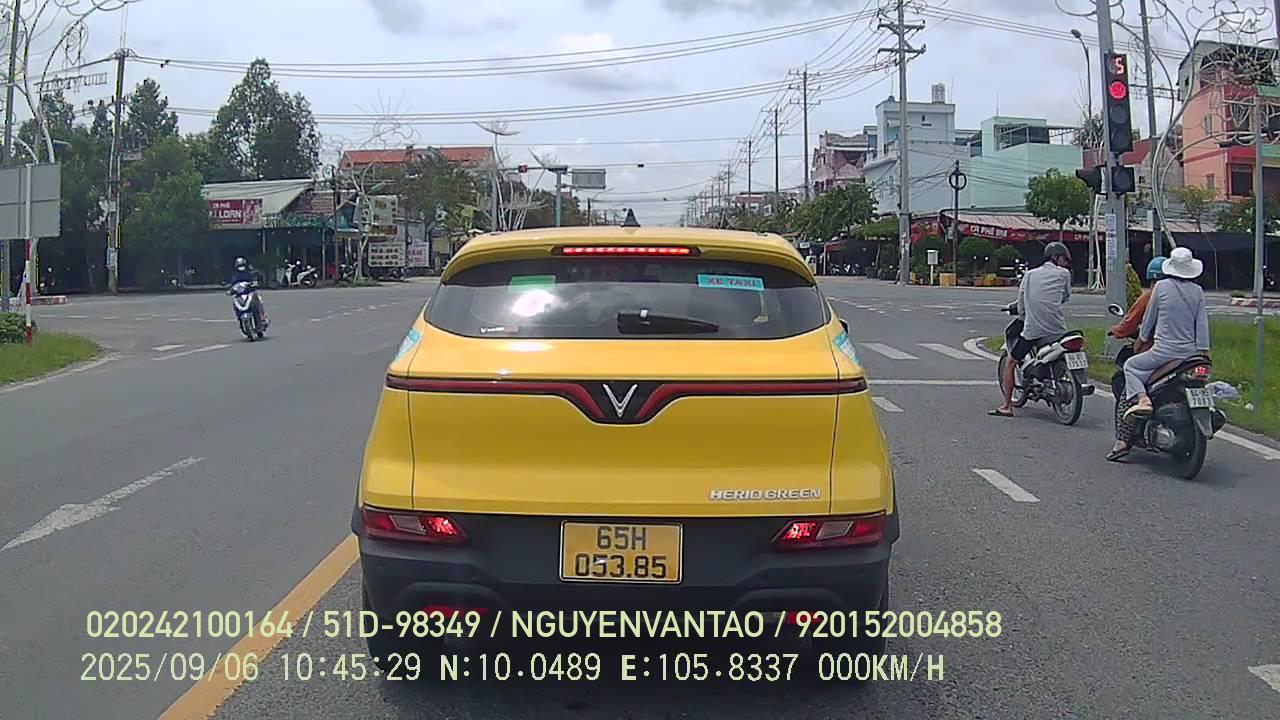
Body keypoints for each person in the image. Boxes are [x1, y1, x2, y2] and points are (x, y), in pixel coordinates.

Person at [1117, 246, 1210, 428]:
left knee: (1131, 366)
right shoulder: (1198, 291)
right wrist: (1204, 352)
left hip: (1163, 353)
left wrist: (1140, 341)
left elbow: (1149, 319)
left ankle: (1143, 400)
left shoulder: (1161, 287)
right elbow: (1202, 325)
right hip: (1190, 355)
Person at [989, 241, 1073, 417]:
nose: (1066, 263)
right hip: (1058, 329)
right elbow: (1065, 297)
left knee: (1011, 362)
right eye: (1064, 259)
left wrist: (1023, 316)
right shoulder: (1065, 274)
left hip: (1034, 329)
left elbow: (1021, 306)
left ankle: (1006, 406)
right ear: (1056, 257)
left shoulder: (1029, 275)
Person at [1104, 256, 1165, 460]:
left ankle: (1122, 441)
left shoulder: (1150, 297)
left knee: (1128, 387)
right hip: (1188, 354)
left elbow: (1132, 323)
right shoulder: (1191, 294)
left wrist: (1118, 331)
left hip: (1157, 352)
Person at [228, 257, 268, 327]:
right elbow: (232, 285)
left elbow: (254, 281)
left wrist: (254, 284)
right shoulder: (235, 276)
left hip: (250, 292)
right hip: (240, 295)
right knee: (235, 303)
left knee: (259, 299)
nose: (241, 267)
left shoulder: (249, 274)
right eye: (239, 265)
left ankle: (263, 318)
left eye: (242, 265)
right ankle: (239, 318)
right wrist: (231, 290)